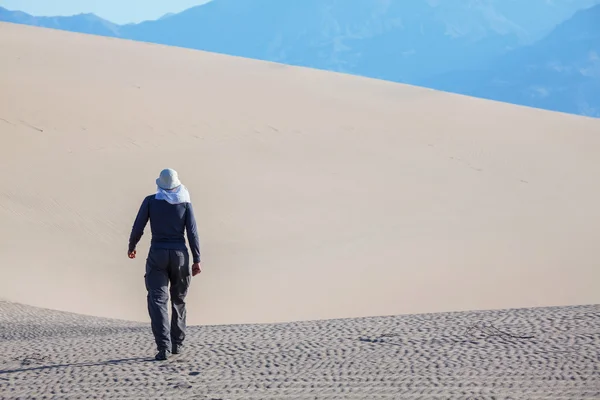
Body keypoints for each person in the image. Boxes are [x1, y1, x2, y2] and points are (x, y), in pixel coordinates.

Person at [128, 168, 202, 361]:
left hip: (158, 255)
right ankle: (177, 344)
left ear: (159, 184)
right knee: (178, 300)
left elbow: (138, 226)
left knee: (157, 300)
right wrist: (197, 259)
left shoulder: (151, 201)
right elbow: (192, 232)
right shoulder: (185, 203)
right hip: (180, 256)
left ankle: (163, 348)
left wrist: (132, 246)